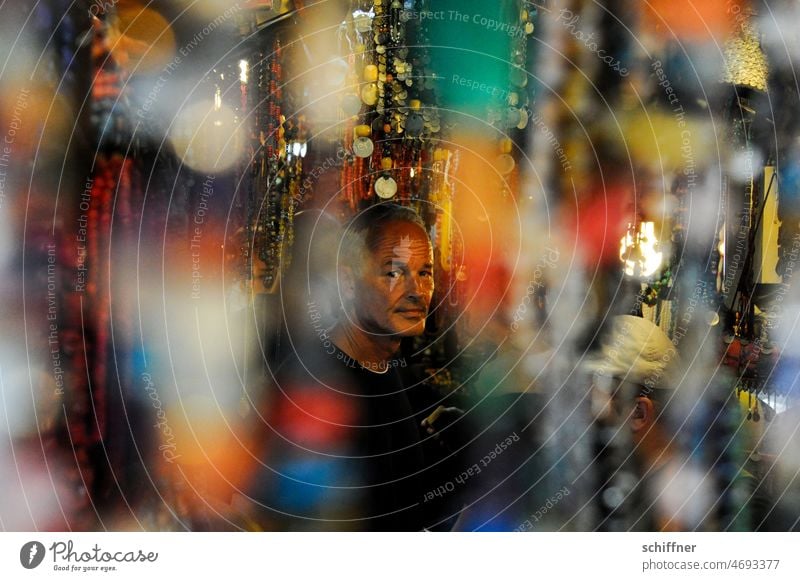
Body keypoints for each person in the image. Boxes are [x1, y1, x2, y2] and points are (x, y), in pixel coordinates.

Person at [244, 203, 444, 530]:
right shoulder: (321, 388)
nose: (416, 291)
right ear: (348, 282)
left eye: (425, 272)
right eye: (394, 273)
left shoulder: (390, 370)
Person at [586, 315, 770, 531]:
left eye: (590, 402)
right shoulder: (617, 487)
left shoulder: (736, 505)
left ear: (638, 413)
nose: (580, 418)